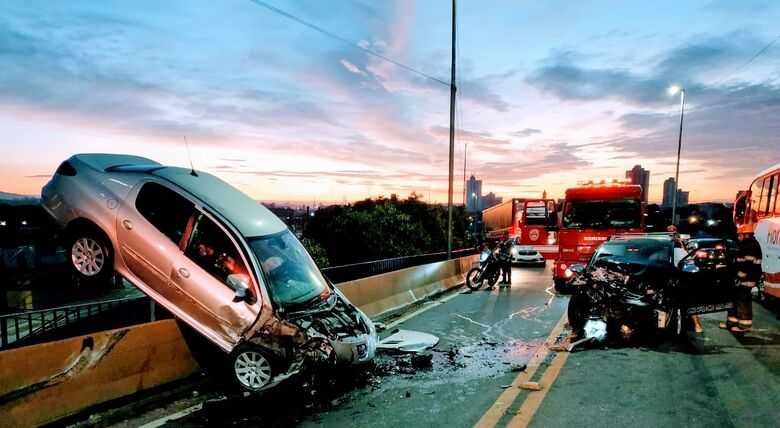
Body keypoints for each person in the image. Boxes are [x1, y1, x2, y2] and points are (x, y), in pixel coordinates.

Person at [720, 224, 762, 333]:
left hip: (747, 278)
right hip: (741, 278)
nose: (738, 237)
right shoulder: (744, 244)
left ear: (746, 235)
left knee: (743, 301)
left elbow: (749, 264)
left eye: (740, 235)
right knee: (735, 300)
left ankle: (744, 326)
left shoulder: (752, 246)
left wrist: (739, 271)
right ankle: (731, 323)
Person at [668, 224, 703, 333]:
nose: (671, 232)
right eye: (669, 231)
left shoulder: (681, 251)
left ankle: (697, 324)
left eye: (673, 230)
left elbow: (690, 265)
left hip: (680, 280)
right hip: (666, 279)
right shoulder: (661, 250)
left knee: (689, 301)